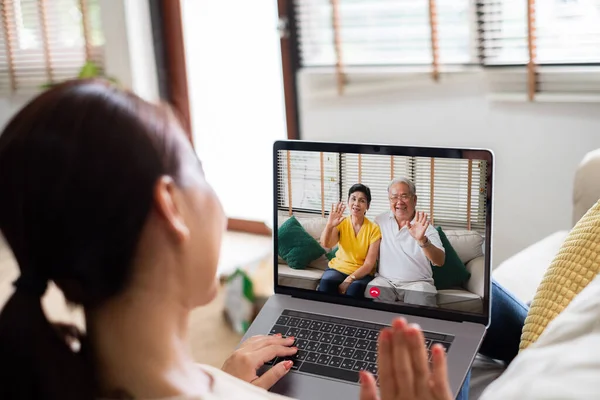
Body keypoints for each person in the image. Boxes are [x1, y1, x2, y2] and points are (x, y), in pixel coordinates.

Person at [365, 177, 443, 307]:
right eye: (394, 197)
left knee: (423, 302)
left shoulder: (425, 227)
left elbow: (440, 261)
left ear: (414, 199)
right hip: (385, 282)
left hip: (417, 284)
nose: (399, 202)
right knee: (372, 291)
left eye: (404, 196)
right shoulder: (380, 221)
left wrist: (422, 240)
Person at [318, 184, 382, 299]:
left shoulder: (374, 229)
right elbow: (326, 244)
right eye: (353, 199)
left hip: (362, 273)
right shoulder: (341, 222)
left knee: (354, 289)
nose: (356, 203)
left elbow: (369, 264)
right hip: (338, 268)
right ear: (348, 202)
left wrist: (349, 279)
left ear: (368, 206)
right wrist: (329, 225)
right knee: (327, 282)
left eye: (362, 201)